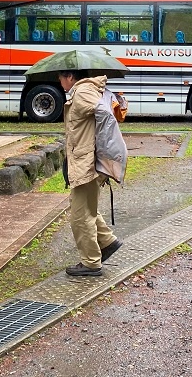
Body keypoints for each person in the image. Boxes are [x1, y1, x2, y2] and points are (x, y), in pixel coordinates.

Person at [59, 69, 122, 276]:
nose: (59, 82)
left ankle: (91, 262)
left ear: (70, 76)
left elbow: (105, 115)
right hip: (88, 159)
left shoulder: (83, 91)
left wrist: (101, 150)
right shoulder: (87, 89)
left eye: (60, 77)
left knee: (79, 215)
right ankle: (108, 242)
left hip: (87, 162)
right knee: (86, 207)